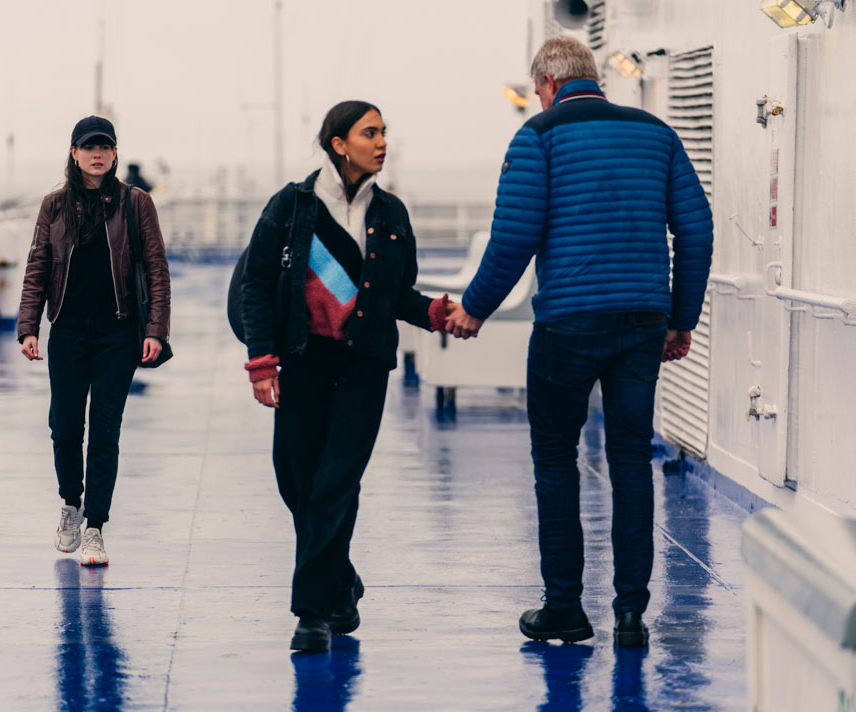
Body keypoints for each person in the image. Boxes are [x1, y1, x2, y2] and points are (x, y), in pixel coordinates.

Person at [446, 37, 713, 647]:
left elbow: (513, 238)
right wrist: (681, 318)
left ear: (545, 82)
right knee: (629, 460)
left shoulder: (538, 136)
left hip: (567, 324)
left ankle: (565, 607)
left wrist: (474, 310)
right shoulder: (656, 134)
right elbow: (696, 230)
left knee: (555, 461)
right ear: (594, 78)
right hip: (643, 322)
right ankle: (630, 615)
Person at [241, 101, 456, 653]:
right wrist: (262, 361)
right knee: (295, 478)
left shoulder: (391, 214)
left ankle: (313, 613)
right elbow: (257, 286)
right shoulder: (291, 206)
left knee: (335, 482)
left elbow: (394, 294)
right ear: (338, 143)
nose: (382, 141)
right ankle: (341, 577)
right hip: (302, 360)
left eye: (384, 132)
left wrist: (432, 313)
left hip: (363, 366)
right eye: (370, 133)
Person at [18, 115, 171, 566]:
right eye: (89, 147)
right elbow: (37, 268)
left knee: (105, 432)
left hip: (117, 333)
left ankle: (96, 528)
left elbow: (156, 271)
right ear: (74, 153)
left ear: (115, 153)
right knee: (64, 427)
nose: (97, 154)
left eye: (105, 146)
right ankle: (71, 503)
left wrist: (155, 331)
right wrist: (29, 326)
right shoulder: (54, 206)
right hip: (67, 330)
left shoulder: (136, 203)